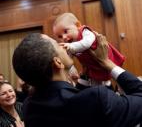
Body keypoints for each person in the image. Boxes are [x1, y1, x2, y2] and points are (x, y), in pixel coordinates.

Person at [12, 33, 142, 127]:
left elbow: (69, 99)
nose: (64, 46)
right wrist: (107, 62)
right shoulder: (98, 99)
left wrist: (85, 75)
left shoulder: (29, 107)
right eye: (58, 45)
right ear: (58, 62)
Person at [53, 12, 125, 84]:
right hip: (94, 68)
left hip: (109, 60)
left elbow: (87, 43)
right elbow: (69, 58)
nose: (64, 37)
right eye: (60, 36)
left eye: (66, 31)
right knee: (98, 83)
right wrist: (72, 71)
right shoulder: (70, 44)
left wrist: (71, 46)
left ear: (77, 25)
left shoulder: (85, 31)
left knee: (118, 79)